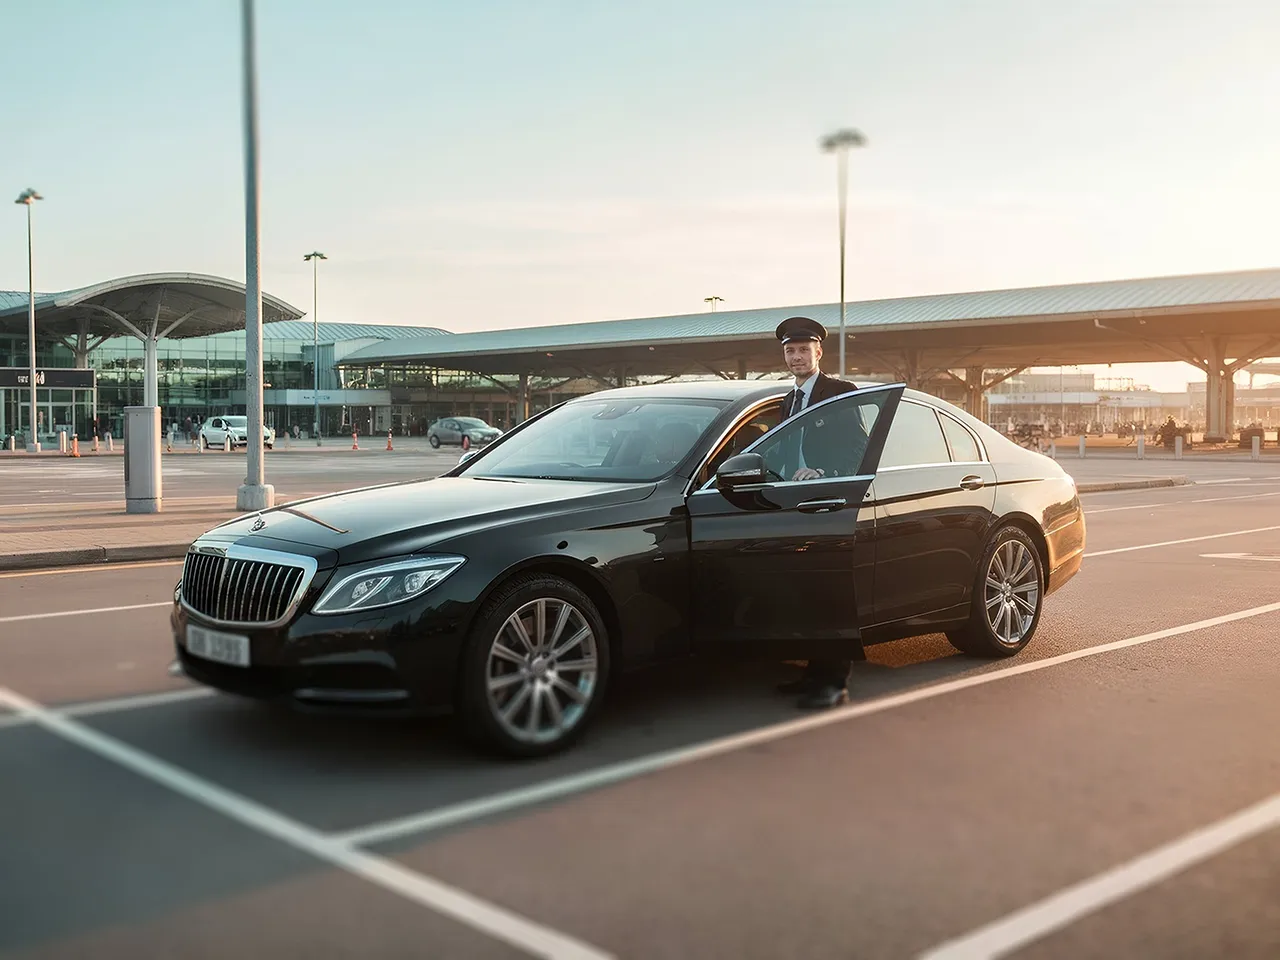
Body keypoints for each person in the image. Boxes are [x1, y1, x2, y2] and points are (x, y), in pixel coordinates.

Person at [771, 315, 866, 709]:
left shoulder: (840, 391)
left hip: (829, 501)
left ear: (818, 352)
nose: (796, 357)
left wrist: (824, 472)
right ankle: (812, 673)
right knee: (803, 591)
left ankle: (833, 680)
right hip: (793, 504)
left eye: (803, 350)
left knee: (830, 592)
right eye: (790, 351)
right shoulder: (786, 400)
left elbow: (858, 447)